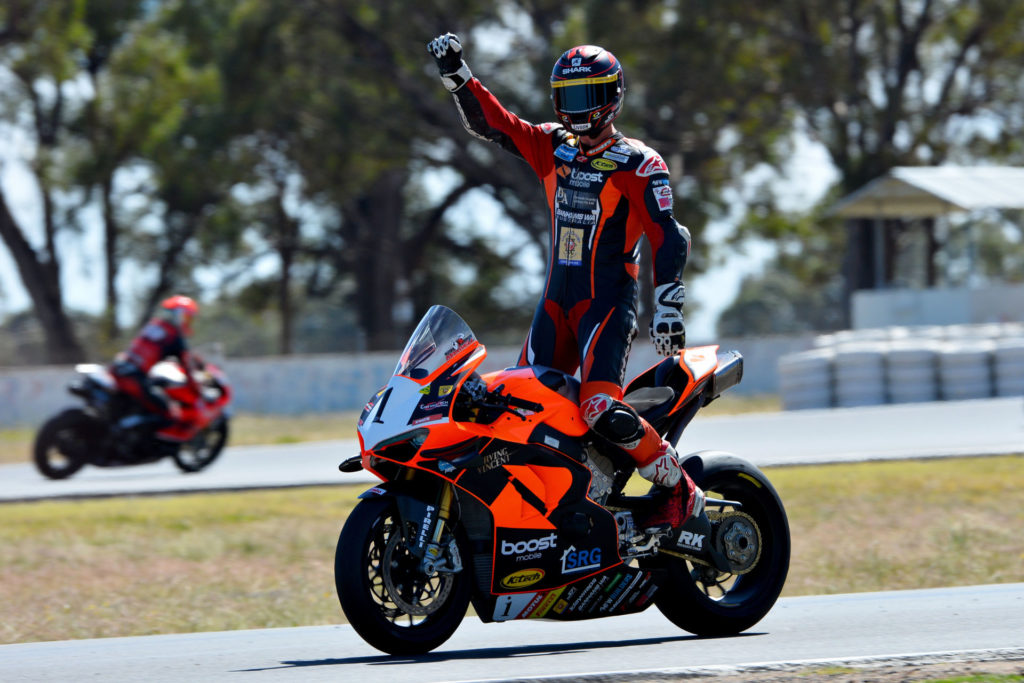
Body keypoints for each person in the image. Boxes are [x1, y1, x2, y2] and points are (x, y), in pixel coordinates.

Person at [427, 34, 704, 528]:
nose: (575, 110)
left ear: (611, 99)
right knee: (516, 408)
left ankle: (677, 483)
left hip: (606, 305)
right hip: (555, 302)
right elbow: (494, 124)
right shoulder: (552, 145)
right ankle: (557, 507)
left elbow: (670, 237)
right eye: (567, 98)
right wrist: (458, 75)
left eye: (586, 98)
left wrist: (668, 306)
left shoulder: (641, 164)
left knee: (597, 406)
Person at [110, 295, 204, 441]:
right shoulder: (174, 336)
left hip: (120, 367)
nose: (188, 322)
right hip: (135, 376)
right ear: (179, 316)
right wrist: (197, 388)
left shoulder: (153, 325)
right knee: (169, 412)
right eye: (187, 318)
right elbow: (187, 364)